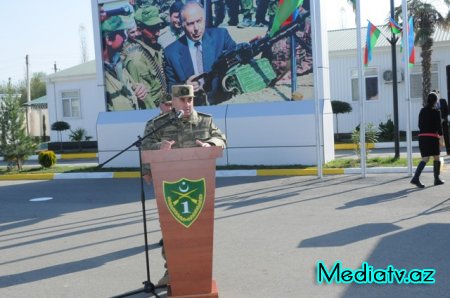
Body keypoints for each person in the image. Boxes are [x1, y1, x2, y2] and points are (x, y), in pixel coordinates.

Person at [141, 84, 226, 286]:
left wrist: (210, 145)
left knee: (199, 231)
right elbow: (144, 147)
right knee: (171, 230)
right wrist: (158, 149)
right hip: (170, 188)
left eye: (190, 100)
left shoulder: (205, 121)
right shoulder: (158, 125)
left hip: (199, 188)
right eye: (182, 100)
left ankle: (199, 272)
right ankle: (172, 272)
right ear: (173, 102)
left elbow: (221, 138)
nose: (187, 104)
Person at [164, 1, 237, 105]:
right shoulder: (171, 53)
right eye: (190, 23)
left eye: (199, 21)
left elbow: (239, 60)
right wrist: (184, 88)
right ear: (181, 24)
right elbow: (170, 89)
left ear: (205, 19)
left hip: (222, 103)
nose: (196, 28)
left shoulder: (221, 36)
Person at [123, 5, 168, 109]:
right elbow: (146, 99)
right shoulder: (136, 59)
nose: (157, 33)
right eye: (152, 29)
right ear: (139, 30)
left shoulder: (156, 48)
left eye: (158, 27)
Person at [101, 15, 148, 111]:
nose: (125, 38)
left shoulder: (118, 64)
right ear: (109, 39)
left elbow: (131, 90)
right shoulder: (100, 77)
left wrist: (140, 88)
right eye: (122, 34)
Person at [410, 92, 444, 188]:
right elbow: (439, 127)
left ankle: (415, 178)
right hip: (432, 137)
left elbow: (419, 125)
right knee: (436, 157)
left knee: (425, 158)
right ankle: (436, 179)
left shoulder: (422, 111)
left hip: (422, 137)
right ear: (435, 101)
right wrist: (441, 139)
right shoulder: (436, 112)